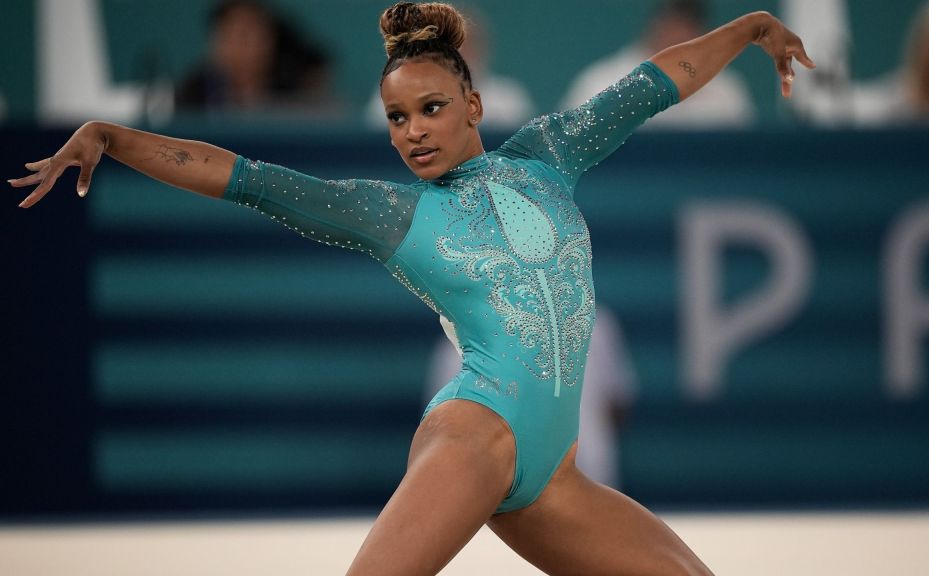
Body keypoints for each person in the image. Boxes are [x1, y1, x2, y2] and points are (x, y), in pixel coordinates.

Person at [10, 2, 813, 573]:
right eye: (397, 119)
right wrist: (114, 137)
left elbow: (651, 85)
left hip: (555, 474)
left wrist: (748, 31)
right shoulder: (391, 214)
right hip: (475, 435)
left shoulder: (546, 155)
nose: (414, 132)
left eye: (430, 109)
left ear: (473, 102)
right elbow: (249, 178)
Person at [425, 306, 636, 488]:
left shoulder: (596, 325)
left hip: (584, 475)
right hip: (500, 489)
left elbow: (618, 403)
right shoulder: (456, 347)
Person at [560, 0, 756, 129]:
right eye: (672, 24)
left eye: (688, 26)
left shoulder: (727, 92)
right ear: (656, 25)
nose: (678, 35)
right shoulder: (600, 83)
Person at [363, 3, 534, 129]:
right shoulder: (394, 90)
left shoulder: (508, 98)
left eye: (469, 45)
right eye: (453, 46)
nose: (461, 54)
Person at [175, 0, 338, 115]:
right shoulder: (194, 91)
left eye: (248, 36)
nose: (239, 47)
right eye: (230, 36)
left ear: (269, 42)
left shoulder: (294, 85)